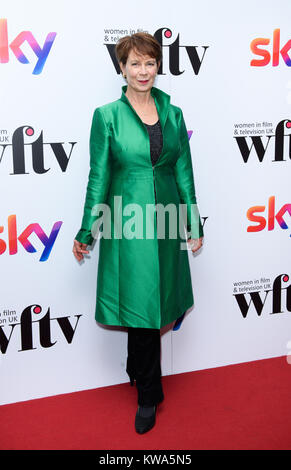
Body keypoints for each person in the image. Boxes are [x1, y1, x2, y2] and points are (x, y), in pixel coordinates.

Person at [72, 32, 204, 434]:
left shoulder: (174, 114)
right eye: (134, 64)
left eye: (150, 63)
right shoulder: (107, 115)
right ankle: (149, 394)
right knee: (142, 308)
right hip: (127, 222)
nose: (143, 71)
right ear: (122, 68)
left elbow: (183, 170)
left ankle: (135, 367)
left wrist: (193, 222)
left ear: (158, 66)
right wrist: (86, 230)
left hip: (164, 220)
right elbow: (99, 176)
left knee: (157, 303)